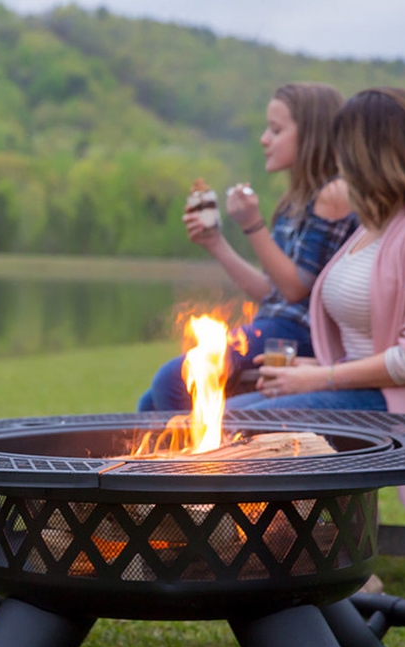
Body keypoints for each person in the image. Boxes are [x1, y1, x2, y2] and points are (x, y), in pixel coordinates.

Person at [226, 87, 405, 526]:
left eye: (343, 146)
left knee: (243, 432)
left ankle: (313, 561)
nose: (335, 159)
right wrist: (313, 367)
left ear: (367, 151)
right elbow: (370, 342)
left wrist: (322, 377)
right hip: (365, 388)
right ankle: (261, 554)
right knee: (228, 419)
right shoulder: (379, 222)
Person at [138, 82, 358, 411]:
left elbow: (296, 289)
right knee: (151, 401)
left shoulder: (334, 194)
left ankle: (194, 462)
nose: (264, 139)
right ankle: (162, 462)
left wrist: (252, 225)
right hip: (278, 325)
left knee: (172, 381)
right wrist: (216, 243)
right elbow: (271, 292)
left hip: (302, 335)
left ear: (312, 134)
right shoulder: (291, 204)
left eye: (276, 130)